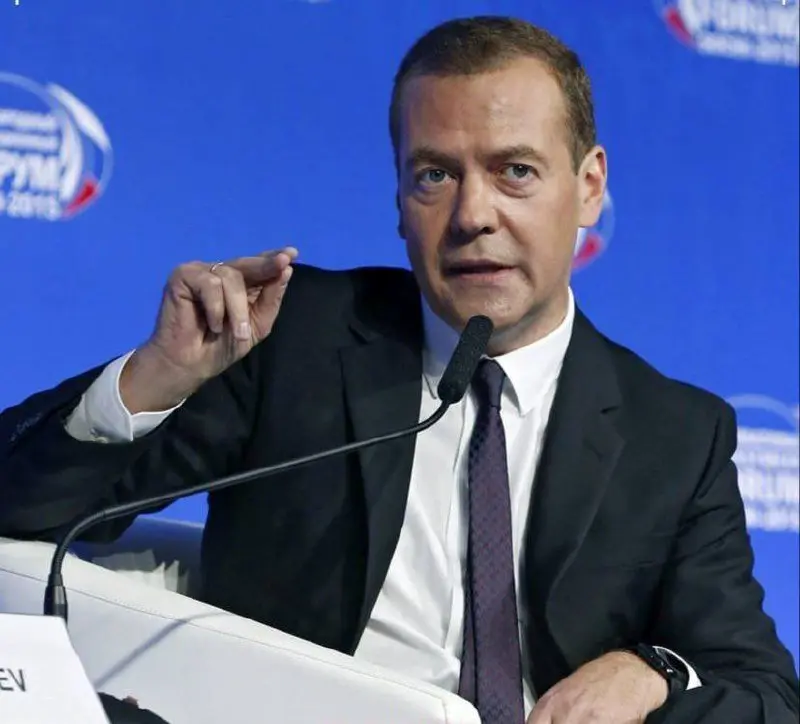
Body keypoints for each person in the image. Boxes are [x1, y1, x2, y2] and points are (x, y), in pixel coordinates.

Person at [0, 15, 797, 724]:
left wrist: (654, 672)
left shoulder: (675, 433)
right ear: (398, 200)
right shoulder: (293, 340)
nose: (473, 214)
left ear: (589, 188)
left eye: (515, 171)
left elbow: (764, 692)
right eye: (435, 175)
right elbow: (20, 508)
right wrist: (159, 378)